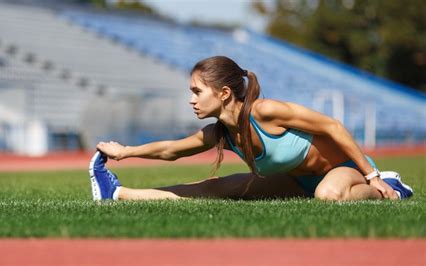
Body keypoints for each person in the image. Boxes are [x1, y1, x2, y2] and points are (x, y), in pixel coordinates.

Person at [89, 56, 413, 201]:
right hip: (296, 181)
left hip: (345, 169)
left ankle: (390, 187)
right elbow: (170, 150)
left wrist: (370, 175)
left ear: (224, 93)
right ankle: (115, 194)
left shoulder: (266, 111)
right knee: (214, 189)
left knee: (328, 195)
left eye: (197, 91)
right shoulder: (221, 133)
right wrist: (125, 152)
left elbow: (332, 125)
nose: (191, 100)